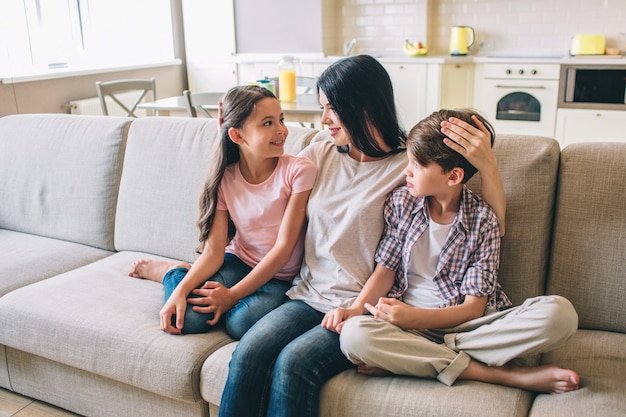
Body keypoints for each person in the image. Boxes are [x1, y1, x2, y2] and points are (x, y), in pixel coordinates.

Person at [218, 55, 508, 417]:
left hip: (363, 305)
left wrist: (488, 165)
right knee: (248, 352)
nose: (323, 120)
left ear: (363, 106)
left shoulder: (410, 166)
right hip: (307, 294)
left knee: (294, 364)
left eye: (331, 109)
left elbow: (484, 225)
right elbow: (262, 190)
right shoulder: (319, 153)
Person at [338, 109, 580, 394]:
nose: (406, 171)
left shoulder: (483, 219)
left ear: (453, 176)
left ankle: (421, 356)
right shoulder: (401, 203)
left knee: (561, 314)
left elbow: (473, 308)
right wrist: (355, 310)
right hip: (407, 328)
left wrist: (411, 320)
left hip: (469, 325)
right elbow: (384, 272)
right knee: (355, 337)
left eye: (416, 165)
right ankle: (506, 376)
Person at [128, 85, 317, 340]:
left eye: (281, 119)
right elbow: (214, 252)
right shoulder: (226, 179)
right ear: (237, 136)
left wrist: (231, 296)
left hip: (279, 275)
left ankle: (181, 272)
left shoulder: (298, 171)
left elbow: (283, 249)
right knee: (185, 319)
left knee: (239, 323)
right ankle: (173, 273)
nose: (281, 130)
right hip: (238, 261)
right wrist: (180, 291)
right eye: (267, 123)